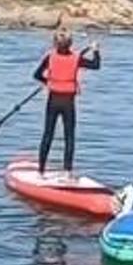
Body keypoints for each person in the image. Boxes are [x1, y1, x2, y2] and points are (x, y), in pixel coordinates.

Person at [33, 23, 101, 177]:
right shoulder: (77, 58)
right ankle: (67, 172)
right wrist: (96, 50)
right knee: (69, 136)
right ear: (70, 43)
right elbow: (96, 65)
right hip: (68, 103)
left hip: (53, 100)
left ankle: (41, 171)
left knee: (47, 135)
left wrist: (48, 82)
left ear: (55, 43)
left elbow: (36, 75)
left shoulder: (50, 57)